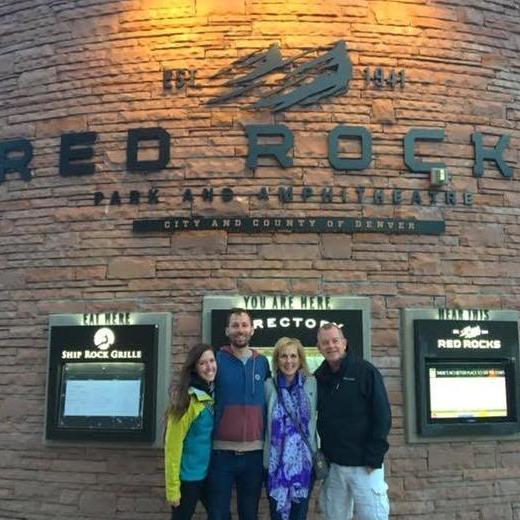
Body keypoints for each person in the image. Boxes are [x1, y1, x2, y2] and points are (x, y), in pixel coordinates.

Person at [315, 323, 391, 520]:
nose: (331, 346)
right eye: (325, 342)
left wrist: (374, 457)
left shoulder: (365, 371)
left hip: (365, 466)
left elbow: (382, 416)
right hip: (334, 468)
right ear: (319, 347)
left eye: (335, 340)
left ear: (344, 343)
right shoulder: (318, 378)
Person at [208, 307, 271, 520]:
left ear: (252, 329)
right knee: (218, 514)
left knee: (249, 514)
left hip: (255, 455)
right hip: (220, 454)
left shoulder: (262, 363)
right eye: (235, 325)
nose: (240, 330)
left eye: (244, 325)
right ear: (227, 330)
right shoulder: (216, 360)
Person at [264, 337, 317, 520]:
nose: (289, 361)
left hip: (304, 464)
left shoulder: (312, 384)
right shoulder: (268, 386)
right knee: (277, 516)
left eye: (293, 356)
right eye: (283, 356)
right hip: (275, 464)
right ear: (277, 360)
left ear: (300, 359)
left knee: (299, 515)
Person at [164, 344, 217, 520]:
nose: (209, 367)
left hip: (209, 475)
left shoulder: (212, 393)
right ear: (194, 367)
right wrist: (173, 488)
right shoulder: (187, 400)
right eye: (203, 363)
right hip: (188, 478)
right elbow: (172, 446)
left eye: (211, 360)